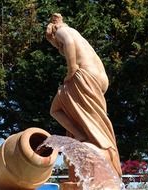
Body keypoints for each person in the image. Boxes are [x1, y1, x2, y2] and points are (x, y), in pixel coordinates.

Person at [46, 13, 122, 178]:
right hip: (99, 79)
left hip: (84, 75)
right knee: (91, 115)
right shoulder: (77, 33)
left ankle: (80, 135)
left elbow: (68, 43)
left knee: (55, 109)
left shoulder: (61, 31)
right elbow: (69, 45)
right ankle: (95, 140)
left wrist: (71, 70)